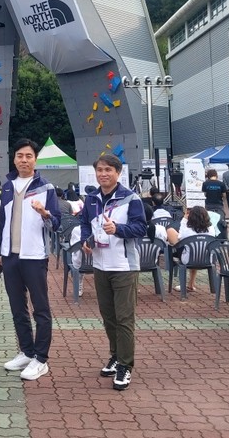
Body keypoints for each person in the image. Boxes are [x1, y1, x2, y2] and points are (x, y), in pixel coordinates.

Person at [79, 153, 146, 391]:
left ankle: (125, 366)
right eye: (100, 170)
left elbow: (140, 228)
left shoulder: (131, 199)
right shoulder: (91, 199)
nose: (103, 174)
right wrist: (86, 239)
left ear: (118, 173)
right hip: (100, 265)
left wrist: (117, 229)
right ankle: (116, 355)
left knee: (124, 318)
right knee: (108, 316)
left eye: (108, 170)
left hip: (124, 267)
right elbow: (85, 223)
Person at [0, 138, 61, 381]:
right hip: (10, 256)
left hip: (34, 256)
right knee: (17, 308)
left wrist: (45, 214)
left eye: (28, 156)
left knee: (40, 308)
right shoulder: (7, 187)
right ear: (14, 159)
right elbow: (2, 223)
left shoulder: (46, 188)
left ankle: (41, 359)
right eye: (19, 156)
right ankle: (26, 351)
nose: (23, 160)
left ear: (35, 159)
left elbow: (56, 223)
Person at [170, 206, 217, 292]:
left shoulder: (187, 230)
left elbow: (180, 237)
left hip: (188, 259)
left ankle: (186, 284)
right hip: (207, 259)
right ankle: (191, 284)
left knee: (171, 232)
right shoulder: (211, 229)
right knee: (194, 249)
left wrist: (184, 219)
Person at [202, 168, 228, 239]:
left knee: (208, 220)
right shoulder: (221, 184)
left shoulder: (205, 183)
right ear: (216, 175)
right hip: (219, 204)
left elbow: (205, 194)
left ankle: (210, 236)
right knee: (221, 220)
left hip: (209, 204)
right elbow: (224, 195)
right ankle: (222, 237)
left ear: (208, 176)